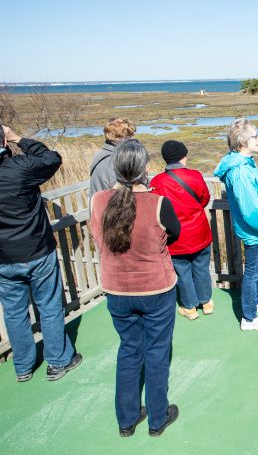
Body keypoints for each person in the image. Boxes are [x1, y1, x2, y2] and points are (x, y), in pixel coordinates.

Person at [90, 141, 180, 437]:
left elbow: (98, 237)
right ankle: (157, 418)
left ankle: (126, 420)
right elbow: (175, 234)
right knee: (157, 352)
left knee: (129, 351)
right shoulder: (158, 203)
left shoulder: (98, 201)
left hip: (117, 289)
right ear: (144, 169)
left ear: (115, 167)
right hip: (156, 288)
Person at [0, 124, 82, 382]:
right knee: (48, 306)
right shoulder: (20, 168)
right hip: (36, 250)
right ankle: (58, 361)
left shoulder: (17, 167)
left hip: (3, 257)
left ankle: (23, 367)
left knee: (14, 313)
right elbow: (51, 158)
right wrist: (18, 138)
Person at [214, 119, 258, 331]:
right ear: (243, 141)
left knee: (253, 269)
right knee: (252, 271)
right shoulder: (241, 171)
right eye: (255, 136)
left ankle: (255, 301)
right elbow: (250, 209)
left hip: (253, 230)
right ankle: (249, 317)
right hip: (254, 230)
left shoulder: (243, 163)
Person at [150, 140, 213, 321]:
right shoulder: (194, 176)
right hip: (199, 232)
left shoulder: (157, 182)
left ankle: (189, 307)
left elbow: (157, 208)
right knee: (201, 268)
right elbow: (204, 198)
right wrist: (194, 212)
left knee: (182, 272)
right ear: (183, 156)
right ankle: (206, 303)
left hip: (175, 236)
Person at [89, 117, 136, 198]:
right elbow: (118, 192)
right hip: (107, 208)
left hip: (98, 206)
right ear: (118, 137)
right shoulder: (112, 160)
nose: (133, 139)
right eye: (129, 136)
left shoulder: (102, 154)